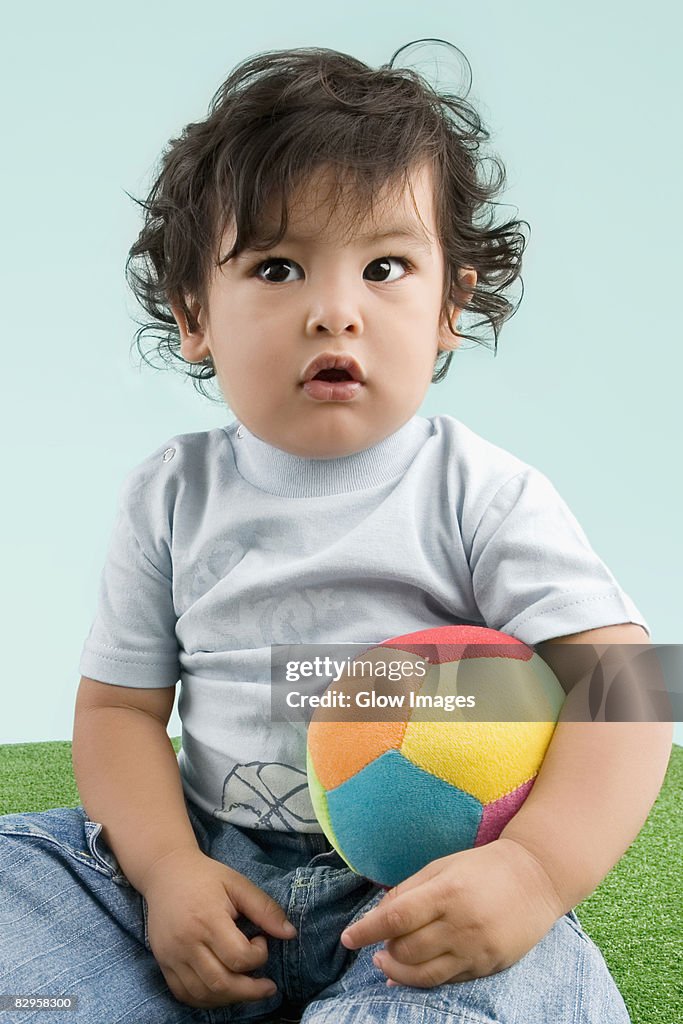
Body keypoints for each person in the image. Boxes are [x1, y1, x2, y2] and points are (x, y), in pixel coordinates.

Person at [0, 41, 672, 1024]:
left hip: (421, 897)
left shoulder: (475, 492)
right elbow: (118, 714)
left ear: (449, 303)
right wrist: (166, 872)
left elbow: (629, 680)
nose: (333, 313)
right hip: (214, 871)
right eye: (277, 267)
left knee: (501, 996)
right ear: (195, 314)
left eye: (385, 266)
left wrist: (529, 874)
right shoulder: (173, 493)